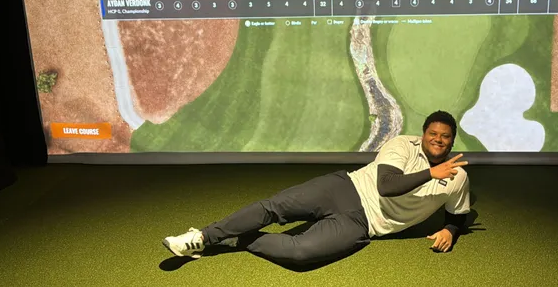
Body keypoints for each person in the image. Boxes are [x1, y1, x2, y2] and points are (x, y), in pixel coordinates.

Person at [162, 110, 470, 264]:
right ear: (423, 133)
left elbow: (457, 215)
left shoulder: (457, 178)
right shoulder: (402, 145)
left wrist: (450, 230)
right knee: (274, 208)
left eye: (445, 136)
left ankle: (236, 240)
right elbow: (386, 186)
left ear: (452, 140)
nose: (438, 140)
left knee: (300, 253)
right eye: (433, 133)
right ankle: (202, 237)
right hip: (345, 187)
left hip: (364, 223)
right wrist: (431, 173)